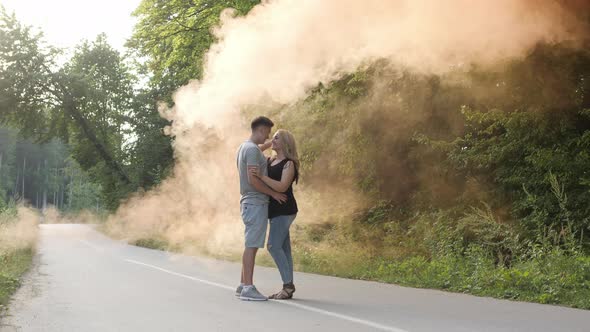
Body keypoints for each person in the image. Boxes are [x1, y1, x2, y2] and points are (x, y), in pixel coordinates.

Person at [236, 116, 287, 301]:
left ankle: (243, 285)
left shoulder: (245, 147)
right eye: (266, 133)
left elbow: (258, 150)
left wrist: (267, 146)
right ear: (260, 130)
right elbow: (253, 180)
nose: (267, 137)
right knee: (251, 246)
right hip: (256, 202)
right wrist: (273, 194)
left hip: (250, 202)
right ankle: (248, 288)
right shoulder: (251, 150)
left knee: (251, 245)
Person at [250, 129, 299, 300]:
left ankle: (288, 286)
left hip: (285, 210)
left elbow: (281, 187)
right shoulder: (270, 160)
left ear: (285, 142)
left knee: (273, 246)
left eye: (276, 137)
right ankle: (288, 287)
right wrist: (270, 143)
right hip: (275, 210)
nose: (272, 139)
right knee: (284, 249)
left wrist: (262, 176)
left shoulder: (289, 163)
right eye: (273, 137)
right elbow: (255, 149)